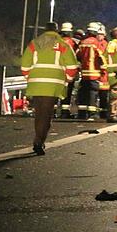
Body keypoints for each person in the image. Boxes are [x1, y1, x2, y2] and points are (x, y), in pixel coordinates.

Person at [20, 22, 79, 155]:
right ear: (57, 31)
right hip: (53, 84)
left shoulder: (34, 43)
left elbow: (24, 65)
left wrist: (31, 77)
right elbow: (72, 67)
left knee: (39, 112)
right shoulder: (63, 44)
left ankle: (38, 139)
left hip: (35, 83)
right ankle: (39, 142)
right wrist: (67, 79)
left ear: (45, 30)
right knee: (46, 115)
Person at [76, 21, 106, 119]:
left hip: (84, 73)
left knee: (83, 93)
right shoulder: (96, 43)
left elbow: (77, 55)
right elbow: (101, 56)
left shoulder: (83, 42)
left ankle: (82, 113)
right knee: (93, 94)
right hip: (94, 73)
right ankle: (92, 114)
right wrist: (104, 68)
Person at [58, 22, 79, 118]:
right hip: (68, 71)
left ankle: (53, 112)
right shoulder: (72, 43)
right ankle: (64, 113)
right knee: (67, 92)